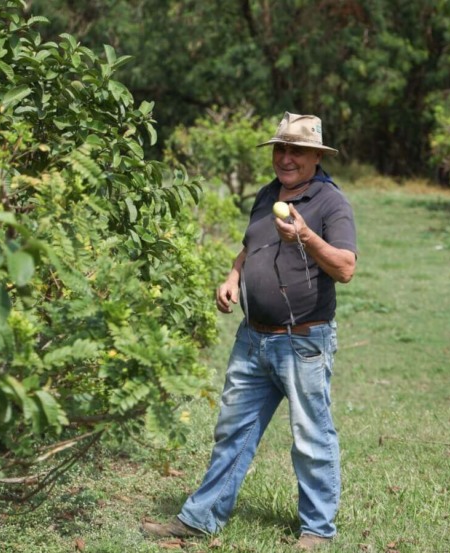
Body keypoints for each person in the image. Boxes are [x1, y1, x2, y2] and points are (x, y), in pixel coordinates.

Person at [141, 112, 357, 551]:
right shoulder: (266, 195)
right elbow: (249, 246)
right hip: (253, 337)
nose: (286, 157)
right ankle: (202, 518)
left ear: (316, 156)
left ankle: (317, 530)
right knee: (232, 430)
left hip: (303, 341)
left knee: (311, 436)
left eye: (297, 150)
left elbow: (346, 267)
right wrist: (232, 277)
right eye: (281, 148)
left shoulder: (330, 202)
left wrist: (305, 237)